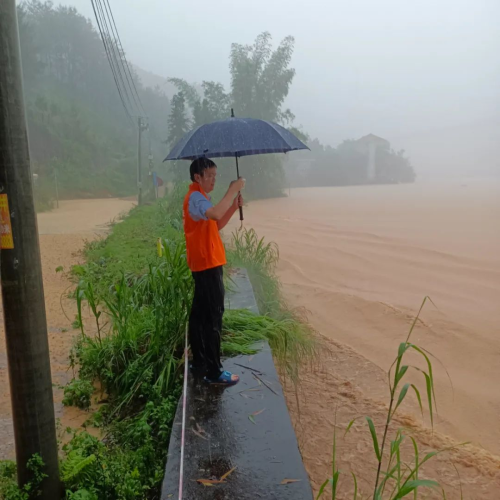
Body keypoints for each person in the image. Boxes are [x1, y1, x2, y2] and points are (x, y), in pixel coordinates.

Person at [183, 157, 245, 385]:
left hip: (204, 263)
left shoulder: (201, 199)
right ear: (197, 177)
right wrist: (232, 190)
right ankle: (214, 371)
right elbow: (215, 215)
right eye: (209, 176)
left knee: (200, 314)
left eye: (215, 176)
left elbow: (216, 224)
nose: (213, 180)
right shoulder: (196, 198)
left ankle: (200, 361)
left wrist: (233, 206)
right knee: (214, 316)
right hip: (208, 265)